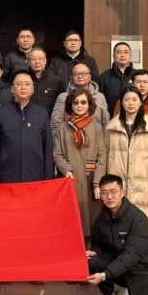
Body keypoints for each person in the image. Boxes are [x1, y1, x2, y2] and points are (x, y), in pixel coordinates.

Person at [105, 87, 148, 235]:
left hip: (143, 180)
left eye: (134, 99)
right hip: (118, 179)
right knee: (119, 225)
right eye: (127, 99)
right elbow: (104, 154)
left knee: (141, 225)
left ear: (141, 102)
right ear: (121, 102)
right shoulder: (112, 127)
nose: (130, 103)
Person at [53, 88, 106, 236]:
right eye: (75, 102)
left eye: (83, 102)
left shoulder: (96, 128)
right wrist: (66, 170)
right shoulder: (63, 127)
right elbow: (57, 153)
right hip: (69, 179)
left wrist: (97, 183)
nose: (79, 105)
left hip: (90, 179)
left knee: (92, 222)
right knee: (70, 221)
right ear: (70, 104)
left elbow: (102, 156)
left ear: (89, 105)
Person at [0, 70, 54, 184]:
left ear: (33, 89)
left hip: (35, 177)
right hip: (7, 176)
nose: (23, 87)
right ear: (12, 89)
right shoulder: (0, 112)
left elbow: (47, 147)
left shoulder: (41, 113)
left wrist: (49, 178)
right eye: (19, 84)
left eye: (27, 84)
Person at [51, 63, 109, 136]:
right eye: (76, 74)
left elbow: (105, 122)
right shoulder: (63, 97)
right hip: (69, 140)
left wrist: (105, 141)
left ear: (90, 76)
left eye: (84, 74)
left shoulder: (100, 97)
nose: (80, 76)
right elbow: (55, 124)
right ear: (71, 77)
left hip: (95, 138)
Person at [98, 41, 136, 116]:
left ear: (131, 56)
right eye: (119, 52)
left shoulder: (137, 75)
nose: (122, 55)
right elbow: (100, 101)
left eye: (126, 52)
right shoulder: (104, 76)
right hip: (110, 118)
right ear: (113, 56)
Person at [27, 47, 65, 115]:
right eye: (33, 59)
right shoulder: (24, 80)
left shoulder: (56, 81)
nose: (37, 62)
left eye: (40, 58)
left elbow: (61, 105)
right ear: (29, 62)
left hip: (49, 119)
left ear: (45, 61)